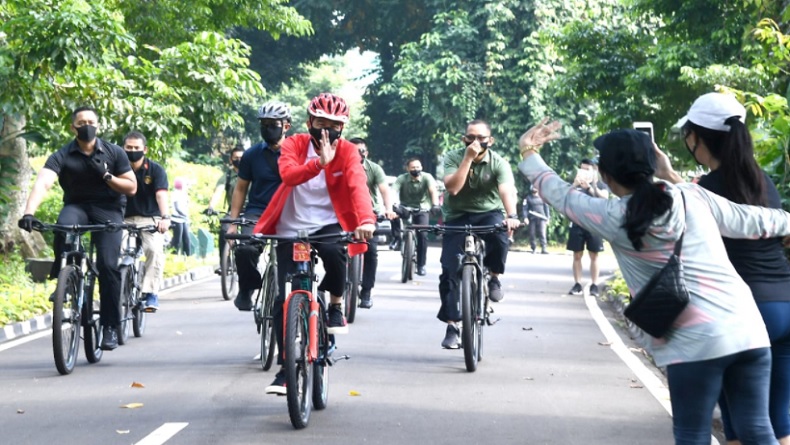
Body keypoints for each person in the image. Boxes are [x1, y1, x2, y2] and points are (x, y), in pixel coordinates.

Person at [518, 120, 788, 444]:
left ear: (606, 175)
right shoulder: (692, 196)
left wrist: (528, 151)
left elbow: (560, 195)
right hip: (747, 330)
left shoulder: (612, 216)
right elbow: (755, 220)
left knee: (692, 434)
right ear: (651, 166)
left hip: (693, 343)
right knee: (757, 429)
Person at [664, 92, 790, 445]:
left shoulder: (706, 189)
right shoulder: (764, 181)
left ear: (696, 138)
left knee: (738, 422)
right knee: (779, 419)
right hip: (785, 304)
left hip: (743, 312)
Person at [254, 93, 376, 394]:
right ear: (309, 122)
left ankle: (334, 305)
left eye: (334, 125)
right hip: (290, 227)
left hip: (328, 223)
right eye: (321, 123)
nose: (327, 130)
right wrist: (319, 164)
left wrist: (366, 220)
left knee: (335, 252)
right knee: (283, 300)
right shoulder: (294, 145)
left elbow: (357, 186)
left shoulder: (348, 152)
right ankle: (285, 369)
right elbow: (288, 175)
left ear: (342, 128)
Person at [18, 106, 137, 351]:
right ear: (73, 127)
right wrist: (28, 212)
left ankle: (110, 326)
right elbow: (44, 182)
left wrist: (107, 177)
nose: (87, 126)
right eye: (81, 123)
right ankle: (65, 277)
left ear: (98, 125)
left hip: (108, 209)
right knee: (63, 227)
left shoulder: (114, 152)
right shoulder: (63, 154)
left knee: (107, 265)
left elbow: (131, 187)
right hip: (77, 206)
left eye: (91, 122)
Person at [438, 119, 521, 349]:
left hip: (488, 213)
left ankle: (494, 276)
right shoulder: (453, 157)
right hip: (457, 215)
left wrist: (512, 215)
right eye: (470, 137)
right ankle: (452, 325)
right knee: (449, 270)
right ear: (463, 139)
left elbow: (506, 190)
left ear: (490, 141)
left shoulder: (499, 163)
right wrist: (467, 159)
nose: (475, 142)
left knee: (501, 237)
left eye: (481, 138)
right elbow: (453, 188)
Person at [227, 101, 291, 311]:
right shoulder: (252, 154)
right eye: (264, 124)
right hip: (258, 212)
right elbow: (240, 188)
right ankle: (247, 288)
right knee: (245, 248)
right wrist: (233, 222)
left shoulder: (297, 152)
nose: (268, 128)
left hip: (292, 213)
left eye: (273, 124)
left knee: (300, 256)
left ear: (286, 126)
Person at [122, 131, 171, 312]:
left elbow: (161, 195)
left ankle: (150, 293)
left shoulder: (155, 170)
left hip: (149, 219)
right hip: (122, 219)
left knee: (154, 250)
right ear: (123, 148)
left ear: (145, 149)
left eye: (136, 147)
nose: (132, 151)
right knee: (113, 251)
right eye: (129, 147)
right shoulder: (116, 169)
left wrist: (165, 218)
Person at [349, 137, 397, 308]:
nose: (358, 154)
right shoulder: (340, 166)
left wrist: (388, 209)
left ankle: (366, 291)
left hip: (370, 214)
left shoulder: (374, 169)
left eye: (361, 151)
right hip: (347, 213)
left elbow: (384, 190)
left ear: (366, 153)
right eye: (354, 151)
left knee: (371, 251)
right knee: (335, 250)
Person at [391, 157, 441, 275]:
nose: (416, 169)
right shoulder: (402, 178)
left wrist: (435, 205)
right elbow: (393, 191)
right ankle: (396, 238)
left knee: (423, 235)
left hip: (422, 209)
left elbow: (433, 191)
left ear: (421, 167)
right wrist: (392, 204)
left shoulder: (427, 177)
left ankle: (421, 265)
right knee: (393, 213)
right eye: (413, 167)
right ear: (407, 169)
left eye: (418, 167)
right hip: (405, 207)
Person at [566, 158, 608, 297]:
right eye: (582, 169)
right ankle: (577, 284)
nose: (584, 172)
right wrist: (575, 185)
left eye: (587, 169)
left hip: (594, 224)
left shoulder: (600, 184)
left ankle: (594, 285)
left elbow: (604, 198)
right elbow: (565, 197)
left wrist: (589, 187)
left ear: (594, 170)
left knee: (594, 255)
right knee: (577, 254)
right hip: (577, 223)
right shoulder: (575, 184)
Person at [206, 144, 245, 269]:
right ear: (231, 159)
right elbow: (218, 190)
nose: (239, 160)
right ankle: (224, 263)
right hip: (233, 211)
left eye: (241, 158)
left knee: (248, 239)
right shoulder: (227, 176)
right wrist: (211, 207)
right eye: (236, 158)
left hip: (250, 211)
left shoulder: (251, 172)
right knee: (224, 230)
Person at [522, 186, 550, 254]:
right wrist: (525, 217)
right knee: (532, 233)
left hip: (542, 218)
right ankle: (533, 248)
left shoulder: (543, 197)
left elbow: (546, 208)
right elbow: (524, 209)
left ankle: (544, 249)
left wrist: (548, 218)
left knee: (542, 233)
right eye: (533, 187)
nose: (535, 188)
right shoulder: (528, 198)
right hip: (532, 218)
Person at [169, 178, 191, 255]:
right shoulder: (175, 193)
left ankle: (188, 256)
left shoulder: (184, 194)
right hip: (176, 219)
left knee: (186, 239)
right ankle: (173, 255)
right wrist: (185, 215)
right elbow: (177, 207)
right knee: (177, 240)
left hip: (183, 219)